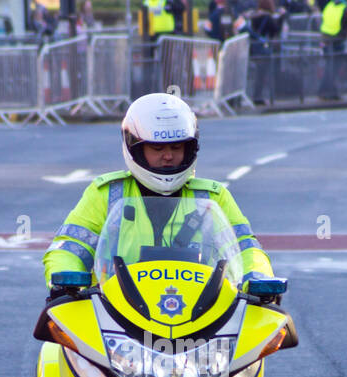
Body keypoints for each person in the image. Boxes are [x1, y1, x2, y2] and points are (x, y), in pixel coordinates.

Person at [42, 93, 272, 289]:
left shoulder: (212, 196)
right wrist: (64, 279)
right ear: (135, 148)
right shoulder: (107, 194)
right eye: (157, 147)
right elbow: (70, 247)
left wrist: (257, 277)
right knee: (57, 343)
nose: (168, 155)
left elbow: (244, 248)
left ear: (190, 148)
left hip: (203, 315)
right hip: (114, 317)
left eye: (176, 147)